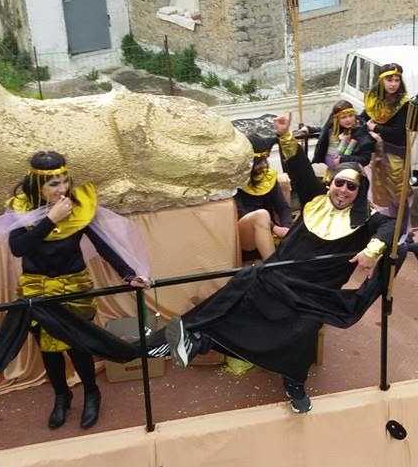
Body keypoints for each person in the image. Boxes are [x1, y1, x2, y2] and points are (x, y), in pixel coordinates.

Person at [144, 112, 396, 414]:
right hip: (281, 274)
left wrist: (373, 248)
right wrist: (285, 134)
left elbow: (390, 227)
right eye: (339, 183)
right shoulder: (315, 198)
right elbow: (300, 169)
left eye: (351, 187)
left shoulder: (366, 217)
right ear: (331, 183)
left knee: (303, 328)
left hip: (316, 292)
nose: (343, 190)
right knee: (242, 285)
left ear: (359, 191)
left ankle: (294, 381)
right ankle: (196, 338)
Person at [5, 151, 148, 430]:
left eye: (64, 182)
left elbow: (103, 245)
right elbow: (18, 248)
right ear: (38, 186)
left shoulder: (79, 206)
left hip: (75, 285)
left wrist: (128, 274)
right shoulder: (21, 208)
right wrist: (50, 219)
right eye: (54, 184)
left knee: (79, 344)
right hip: (37, 287)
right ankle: (62, 396)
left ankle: (92, 392)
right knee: (48, 349)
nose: (62, 189)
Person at [364, 63, 413, 228]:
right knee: (385, 193)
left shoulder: (403, 103)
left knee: (400, 194)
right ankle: (392, 228)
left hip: (397, 153)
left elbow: (398, 132)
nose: (393, 84)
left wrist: (375, 128)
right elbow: (364, 117)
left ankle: (405, 230)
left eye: (396, 80)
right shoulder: (376, 100)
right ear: (381, 81)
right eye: (389, 80)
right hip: (379, 152)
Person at [235, 135, 293, 260]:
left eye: (264, 160)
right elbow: (241, 212)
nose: (262, 166)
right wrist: (274, 227)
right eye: (258, 162)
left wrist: (287, 228)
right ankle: (273, 268)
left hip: (269, 229)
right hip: (245, 234)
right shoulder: (234, 180)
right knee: (261, 215)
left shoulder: (267, 176)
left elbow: (283, 207)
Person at [309, 99, 374, 178]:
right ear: (337, 119)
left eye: (351, 116)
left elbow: (365, 159)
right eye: (343, 117)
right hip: (328, 170)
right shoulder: (332, 128)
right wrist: (309, 129)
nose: (348, 120)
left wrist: (342, 159)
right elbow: (323, 131)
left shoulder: (362, 132)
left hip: (349, 173)